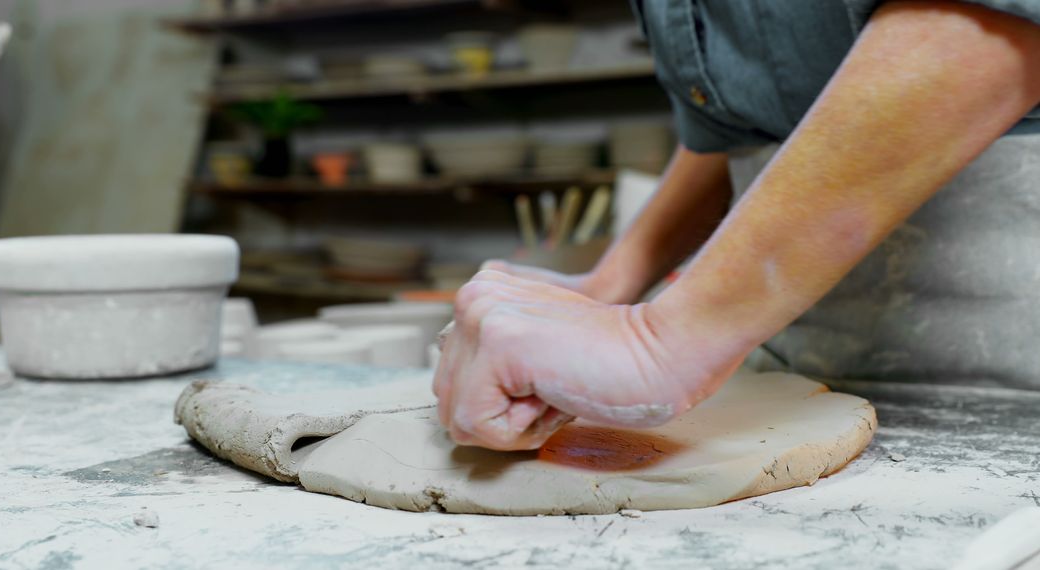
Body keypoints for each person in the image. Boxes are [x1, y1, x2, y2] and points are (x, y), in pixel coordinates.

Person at [434, 1, 1040, 450]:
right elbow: (744, 126)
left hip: (1008, 353)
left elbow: (982, 26)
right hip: (799, 354)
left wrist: (661, 339)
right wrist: (612, 284)